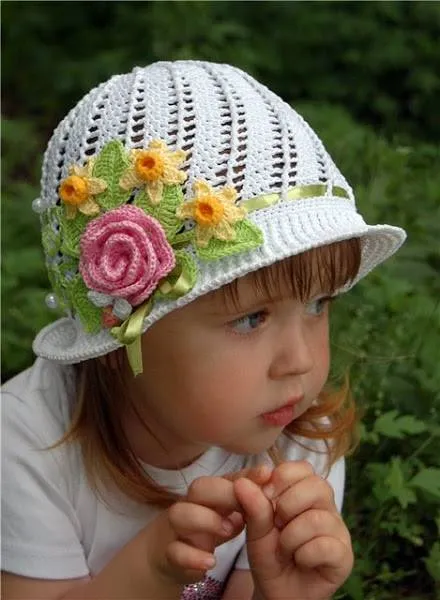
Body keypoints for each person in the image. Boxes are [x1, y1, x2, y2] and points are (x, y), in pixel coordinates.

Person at [1, 60, 406, 600]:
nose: (300, 362)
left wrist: (280, 594)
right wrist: (150, 571)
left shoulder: (299, 438)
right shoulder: (26, 445)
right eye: (250, 317)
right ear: (124, 338)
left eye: (318, 305)